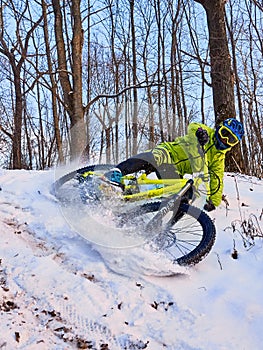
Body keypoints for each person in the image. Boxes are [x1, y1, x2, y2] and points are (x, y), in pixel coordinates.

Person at [103, 118, 244, 211]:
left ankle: (155, 221)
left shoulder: (218, 158)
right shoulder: (205, 133)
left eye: (231, 139)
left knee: (182, 196)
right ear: (219, 128)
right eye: (224, 133)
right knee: (154, 157)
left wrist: (213, 201)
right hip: (169, 153)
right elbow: (194, 126)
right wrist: (200, 134)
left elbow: (217, 179)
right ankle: (115, 173)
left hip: (173, 170)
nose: (225, 140)